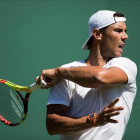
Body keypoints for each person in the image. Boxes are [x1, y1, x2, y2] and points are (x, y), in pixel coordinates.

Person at [36, 10, 137, 140]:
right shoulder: (65, 71)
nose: (125, 36)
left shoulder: (126, 65)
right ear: (97, 34)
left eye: (125, 31)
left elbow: (99, 77)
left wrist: (57, 72)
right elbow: (53, 125)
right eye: (118, 31)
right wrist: (93, 120)